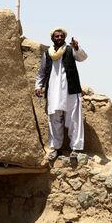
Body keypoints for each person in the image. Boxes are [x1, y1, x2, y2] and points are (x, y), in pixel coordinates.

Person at [35, 27, 88, 161]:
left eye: (61, 36)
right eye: (56, 36)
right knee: (54, 120)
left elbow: (83, 58)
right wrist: (39, 86)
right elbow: (41, 72)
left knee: (74, 119)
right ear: (52, 38)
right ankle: (56, 148)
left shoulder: (70, 50)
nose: (59, 38)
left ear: (64, 38)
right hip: (53, 91)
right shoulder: (48, 53)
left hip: (70, 90)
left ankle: (75, 148)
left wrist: (77, 47)